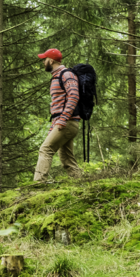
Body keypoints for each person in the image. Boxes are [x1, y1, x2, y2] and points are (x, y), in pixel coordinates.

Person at [34, 48, 82, 182]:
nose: (43, 62)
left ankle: (38, 184)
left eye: (44, 59)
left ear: (51, 60)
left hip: (67, 122)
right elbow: (58, 106)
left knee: (45, 150)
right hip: (63, 122)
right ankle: (80, 184)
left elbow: (74, 96)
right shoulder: (56, 76)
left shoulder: (66, 74)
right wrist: (54, 126)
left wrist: (63, 119)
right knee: (67, 158)